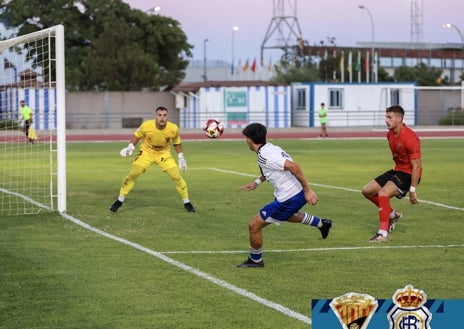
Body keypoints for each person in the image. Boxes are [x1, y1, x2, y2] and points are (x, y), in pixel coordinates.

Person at [237, 123, 332, 268]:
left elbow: (294, 167)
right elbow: (271, 170)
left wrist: (308, 190)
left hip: (290, 196)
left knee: (254, 225)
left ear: (250, 140)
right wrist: (257, 182)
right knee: (285, 215)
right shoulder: (271, 147)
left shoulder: (264, 156)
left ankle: (255, 260)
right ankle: (322, 224)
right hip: (292, 193)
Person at [109, 106, 195, 213]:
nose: (162, 118)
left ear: (167, 117)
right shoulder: (146, 125)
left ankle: (187, 202)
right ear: (155, 116)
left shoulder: (173, 128)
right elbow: (137, 135)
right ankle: (119, 200)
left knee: (176, 176)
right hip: (146, 152)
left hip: (163, 154)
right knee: (134, 174)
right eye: (159, 115)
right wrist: (130, 147)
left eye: (164, 115)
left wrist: (181, 156)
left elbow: (176, 141)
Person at [361, 105, 421, 242]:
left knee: (383, 193)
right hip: (397, 170)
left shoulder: (411, 138)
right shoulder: (389, 135)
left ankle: (383, 234)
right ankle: (392, 214)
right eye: (386, 117)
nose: (386, 120)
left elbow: (417, 166)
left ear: (399, 119)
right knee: (367, 191)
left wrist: (412, 190)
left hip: (409, 173)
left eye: (389, 117)